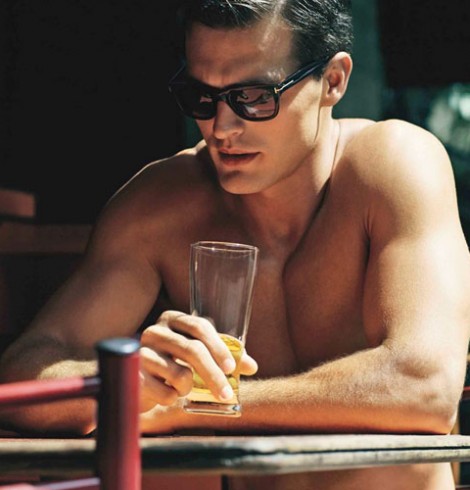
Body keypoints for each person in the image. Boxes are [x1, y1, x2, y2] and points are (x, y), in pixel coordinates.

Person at [1, 0, 470, 488]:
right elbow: (22, 377)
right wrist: (125, 382)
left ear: (333, 81)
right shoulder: (159, 205)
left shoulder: (393, 166)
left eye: (254, 97)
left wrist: (193, 408)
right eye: (201, 97)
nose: (221, 128)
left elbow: (424, 386)